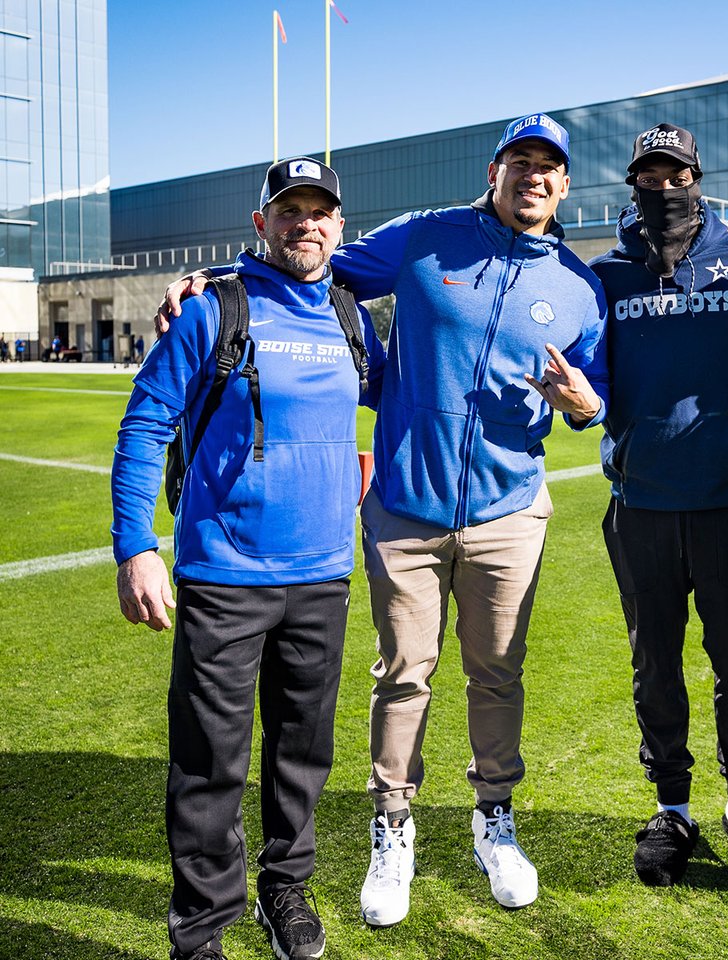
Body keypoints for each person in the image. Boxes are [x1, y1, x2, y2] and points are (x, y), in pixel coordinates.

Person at [157, 113, 608, 924]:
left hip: (510, 509)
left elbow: (596, 389)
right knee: (403, 674)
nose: (533, 175)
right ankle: (392, 826)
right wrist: (213, 282)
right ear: (495, 171)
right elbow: (309, 262)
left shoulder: (579, 284)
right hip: (404, 505)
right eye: (520, 161)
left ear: (565, 183)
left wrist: (586, 405)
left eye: (549, 166)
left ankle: (494, 818)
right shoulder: (425, 236)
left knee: (498, 673)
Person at [113, 156, 383, 960]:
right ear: (262, 223)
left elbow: (400, 398)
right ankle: (201, 930)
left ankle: (283, 889)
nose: (307, 223)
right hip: (224, 576)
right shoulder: (214, 308)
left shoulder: (352, 317)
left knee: (303, 754)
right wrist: (136, 547)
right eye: (289, 210)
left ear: (339, 226)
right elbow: (145, 423)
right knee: (209, 764)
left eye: (320, 211)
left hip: (323, 577)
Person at [587, 123, 728, 886]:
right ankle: (673, 808)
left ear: (697, 176)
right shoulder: (605, 274)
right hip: (641, 506)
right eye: (649, 177)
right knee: (655, 665)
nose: (664, 188)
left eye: (676, 174)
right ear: (633, 184)